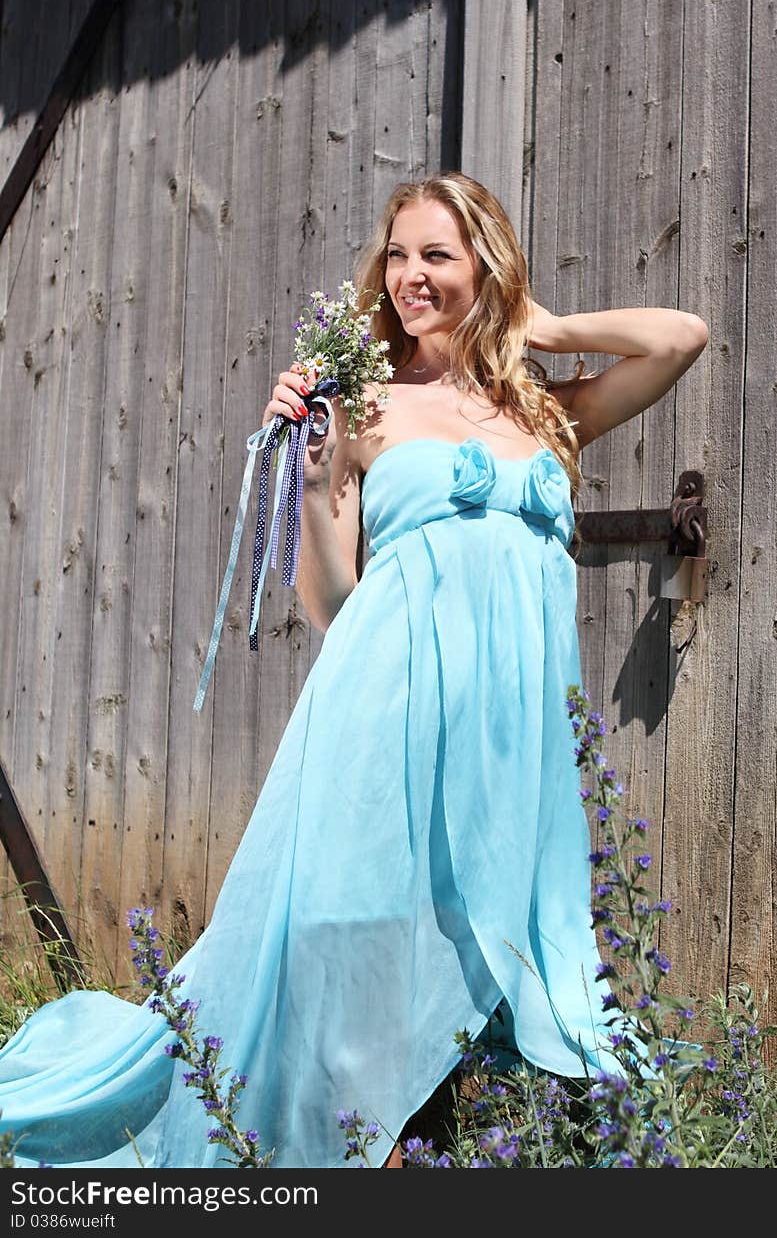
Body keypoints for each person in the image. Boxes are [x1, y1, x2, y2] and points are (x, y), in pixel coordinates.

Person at [0, 172, 707, 1169]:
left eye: (437, 255)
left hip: (521, 730)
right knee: (359, 925)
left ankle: (478, 1131)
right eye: (397, 254)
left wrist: (539, 327)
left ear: (484, 268)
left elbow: (680, 335)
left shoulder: (546, 412)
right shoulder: (359, 403)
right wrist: (319, 461)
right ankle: (348, 1153)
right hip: (391, 704)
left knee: (500, 932)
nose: (409, 275)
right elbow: (332, 600)